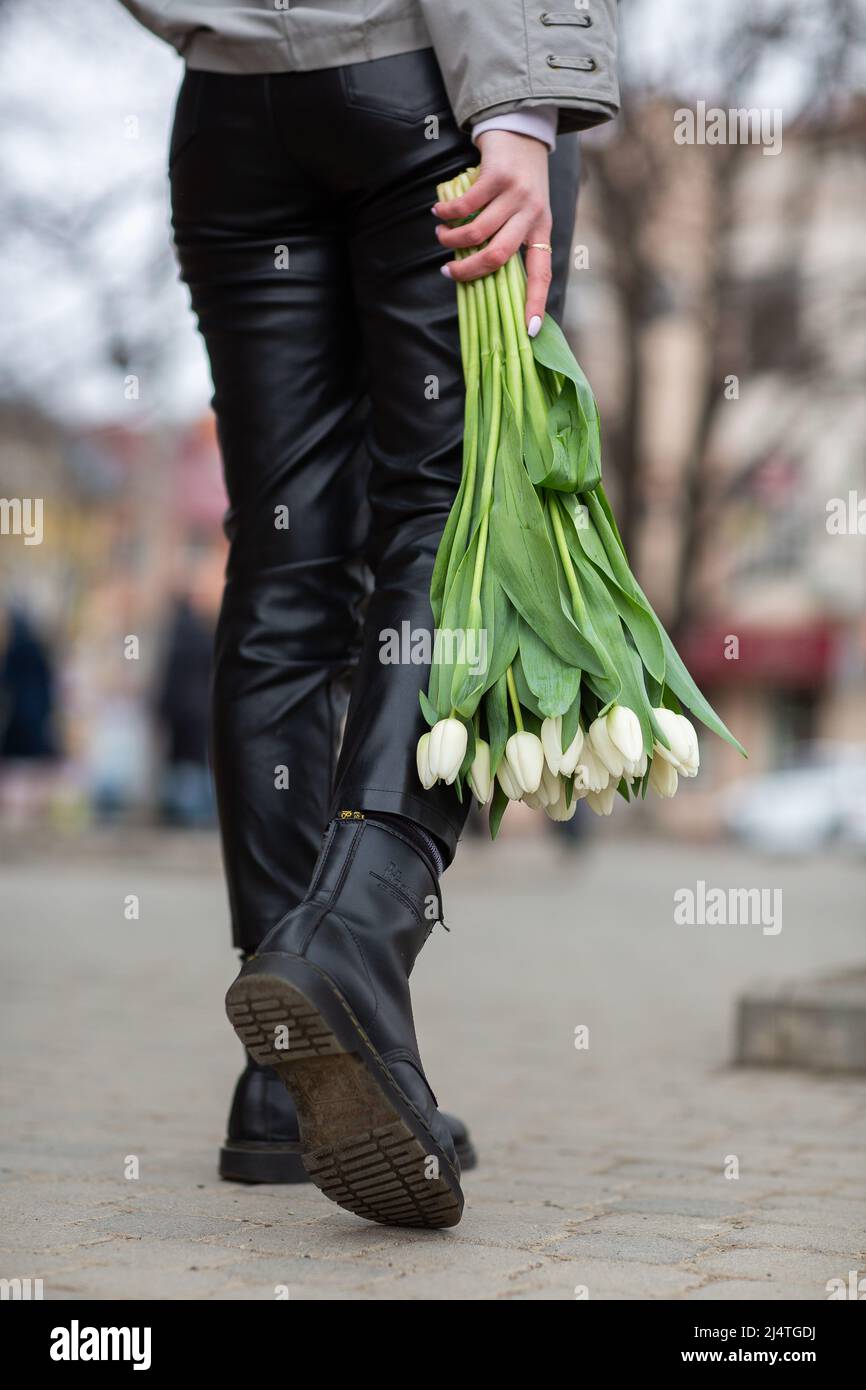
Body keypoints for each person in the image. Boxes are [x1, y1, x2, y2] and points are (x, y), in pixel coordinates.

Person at [118, 0, 620, 1228]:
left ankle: (282, 1079)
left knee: (283, 563)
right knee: (449, 516)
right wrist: (522, 106)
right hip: (428, 94)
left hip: (232, 115)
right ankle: (350, 939)